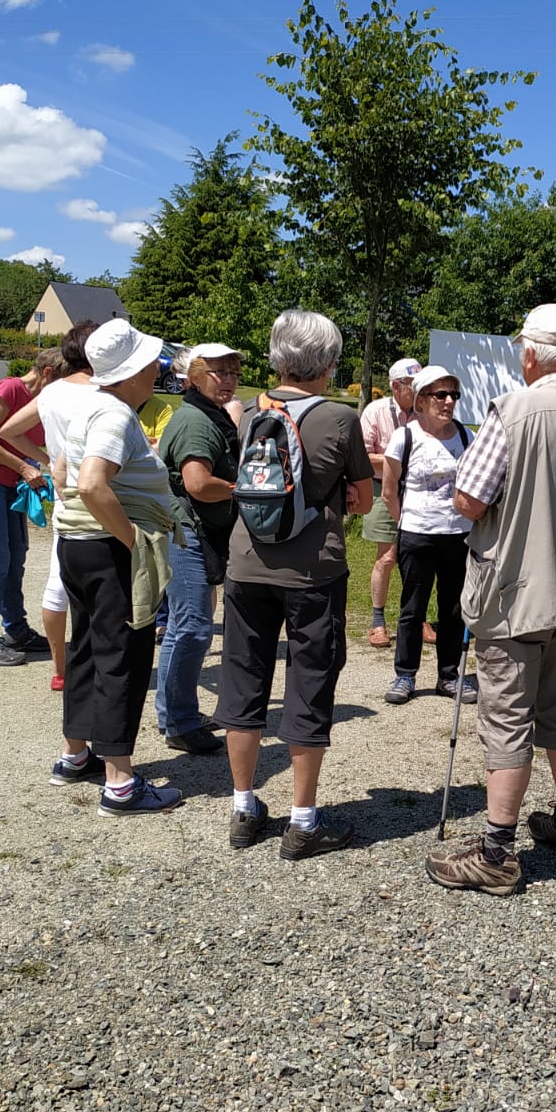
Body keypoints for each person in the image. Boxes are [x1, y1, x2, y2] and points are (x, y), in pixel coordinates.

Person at [424, 303, 556, 896]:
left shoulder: (512, 410)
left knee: (507, 716)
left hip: (514, 591)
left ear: (533, 355)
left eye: (522, 351)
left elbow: (468, 499)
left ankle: (496, 851)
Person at [214, 310, 374, 856]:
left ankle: (243, 808)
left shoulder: (249, 414)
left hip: (246, 564)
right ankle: (303, 821)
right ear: (327, 363)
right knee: (309, 681)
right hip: (312, 571)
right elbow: (364, 498)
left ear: (277, 358)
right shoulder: (341, 417)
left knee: (243, 679)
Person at [46, 319, 184, 817]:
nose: (157, 369)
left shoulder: (87, 405)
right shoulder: (114, 413)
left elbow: (61, 471)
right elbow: (89, 482)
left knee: (86, 648)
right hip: (109, 549)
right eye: (151, 362)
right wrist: (134, 541)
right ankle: (120, 783)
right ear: (131, 372)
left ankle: (75, 754)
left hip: (77, 544)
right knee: (121, 657)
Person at [154, 343, 244, 756]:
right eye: (218, 372)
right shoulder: (195, 422)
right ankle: (180, 722)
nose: (228, 380)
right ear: (192, 377)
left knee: (184, 627)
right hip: (188, 533)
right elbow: (198, 484)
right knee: (191, 628)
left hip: (190, 531)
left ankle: (174, 714)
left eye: (233, 372)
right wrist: (245, 490)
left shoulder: (208, 414)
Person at [0, 322, 99, 693]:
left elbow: (8, 431)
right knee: (103, 588)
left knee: (58, 583)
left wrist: (47, 458)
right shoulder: (105, 392)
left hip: (65, 493)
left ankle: (60, 667)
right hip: (99, 490)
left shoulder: (53, 391)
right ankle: (97, 663)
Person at [0, 349, 66, 667]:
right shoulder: (10, 388)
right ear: (47, 373)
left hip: (11, 485)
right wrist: (23, 467)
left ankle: (16, 630)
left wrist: (48, 464)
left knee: (15, 556)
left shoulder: (44, 401)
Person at [381, 364, 476, 706]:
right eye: (441, 394)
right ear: (421, 400)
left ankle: (449, 676)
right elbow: (389, 492)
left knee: (453, 608)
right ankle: (405, 674)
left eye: (454, 395)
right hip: (417, 534)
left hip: (459, 535)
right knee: (413, 607)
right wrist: (408, 523)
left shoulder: (466, 436)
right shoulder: (404, 437)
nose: (449, 401)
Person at [358, 357, 421, 647]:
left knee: (419, 558)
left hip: (418, 491)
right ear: (396, 387)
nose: (419, 390)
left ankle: (418, 619)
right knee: (387, 557)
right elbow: (362, 454)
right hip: (383, 488)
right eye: (413, 385)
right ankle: (377, 622)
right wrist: (397, 459)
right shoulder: (375, 411)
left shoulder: (425, 411)